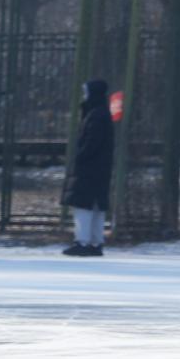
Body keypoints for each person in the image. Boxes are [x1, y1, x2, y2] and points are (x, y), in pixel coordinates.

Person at [62, 79, 113, 257]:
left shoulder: (95, 115)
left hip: (89, 168)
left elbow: (91, 143)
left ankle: (82, 241)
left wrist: (80, 156)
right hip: (100, 168)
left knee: (83, 206)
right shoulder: (102, 113)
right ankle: (95, 242)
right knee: (96, 207)